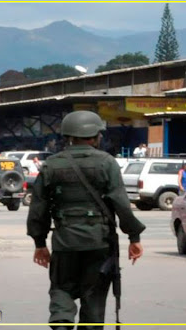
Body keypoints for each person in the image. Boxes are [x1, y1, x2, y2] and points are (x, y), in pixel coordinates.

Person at [27, 110, 146, 330]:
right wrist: (134, 236)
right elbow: (120, 202)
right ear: (95, 136)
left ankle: (62, 323)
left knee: (61, 288)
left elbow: (38, 208)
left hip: (64, 242)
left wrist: (39, 243)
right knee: (94, 298)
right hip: (98, 242)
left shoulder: (51, 165)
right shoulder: (107, 162)